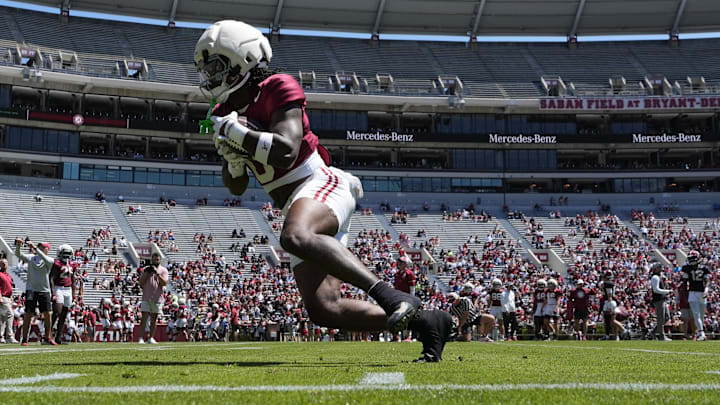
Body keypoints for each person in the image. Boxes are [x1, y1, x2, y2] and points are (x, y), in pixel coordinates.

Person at [197, 20, 443, 355]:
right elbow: (236, 186)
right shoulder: (223, 112)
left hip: (319, 182)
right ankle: (430, 321)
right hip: (297, 202)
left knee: (294, 236)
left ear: (242, 59)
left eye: (215, 67)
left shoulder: (275, 86)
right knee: (323, 308)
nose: (209, 76)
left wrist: (240, 136)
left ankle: (390, 294)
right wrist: (234, 161)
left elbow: (286, 150)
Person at [14, 239, 56, 346]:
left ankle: (47, 337)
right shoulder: (32, 258)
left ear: (48, 249)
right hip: (31, 290)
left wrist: (35, 248)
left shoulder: (50, 260)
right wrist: (19, 245)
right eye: (40, 247)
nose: (41, 248)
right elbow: (18, 254)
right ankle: (24, 339)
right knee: (28, 314)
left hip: (44, 290)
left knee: (48, 314)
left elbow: (43, 257)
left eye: (43, 247)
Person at [50, 244, 77, 344]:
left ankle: (58, 337)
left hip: (68, 290)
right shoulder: (57, 263)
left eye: (68, 254)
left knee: (64, 315)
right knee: (57, 312)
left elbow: (73, 280)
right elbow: (51, 278)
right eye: (64, 254)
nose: (66, 256)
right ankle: (47, 335)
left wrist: (74, 294)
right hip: (58, 288)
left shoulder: (73, 264)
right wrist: (53, 293)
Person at [138, 253, 168, 344]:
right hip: (146, 296)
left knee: (154, 319)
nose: (156, 261)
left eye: (157, 260)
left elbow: (164, 283)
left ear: (160, 260)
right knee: (144, 318)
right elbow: (141, 283)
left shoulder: (163, 270)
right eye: (154, 260)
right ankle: (141, 338)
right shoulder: (147, 270)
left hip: (157, 298)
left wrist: (157, 274)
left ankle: (150, 337)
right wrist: (147, 272)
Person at [681, 251, 710, 341]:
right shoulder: (703, 268)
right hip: (696, 293)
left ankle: (700, 333)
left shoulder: (688, 268)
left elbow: (685, 283)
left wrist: (706, 290)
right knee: (697, 315)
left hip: (696, 293)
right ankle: (701, 333)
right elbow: (706, 281)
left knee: (700, 316)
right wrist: (706, 290)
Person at [649, 264, 671, 341]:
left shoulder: (658, 277)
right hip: (658, 300)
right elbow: (656, 290)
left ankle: (653, 332)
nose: (661, 268)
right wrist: (667, 291)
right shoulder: (655, 277)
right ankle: (662, 336)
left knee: (666, 317)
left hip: (662, 299)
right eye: (659, 267)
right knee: (661, 318)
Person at [0, 259, 18, 343]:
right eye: (2, 263)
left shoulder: (8, 275)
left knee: (3, 318)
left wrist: (11, 297)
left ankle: (1, 336)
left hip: (7, 297)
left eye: (5, 263)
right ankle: (10, 336)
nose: (4, 264)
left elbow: (9, 287)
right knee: (10, 314)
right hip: (2, 297)